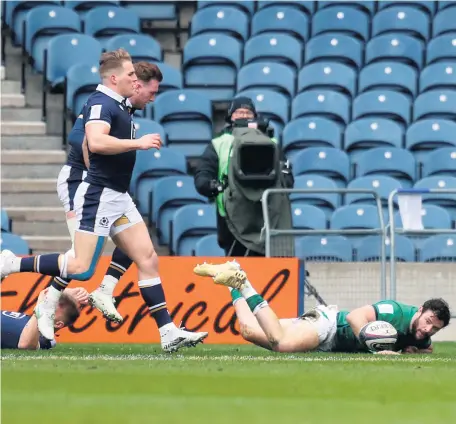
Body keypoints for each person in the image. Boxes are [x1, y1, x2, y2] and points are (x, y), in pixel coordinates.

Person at [1, 49, 208, 352]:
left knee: (148, 258)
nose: (134, 80)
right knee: (82, 266)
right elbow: (94, 141)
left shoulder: (120, 106)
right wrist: (137, 143)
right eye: (129, 75)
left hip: (117, 195)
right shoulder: (101, 103)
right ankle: (11, 263)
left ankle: (167, 332)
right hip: (99, 194)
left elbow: (89, 142)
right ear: (114, 78)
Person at [55, 61, 162, 324]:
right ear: (134, 85)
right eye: (150, 91)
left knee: (138, 247)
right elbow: (83, 141)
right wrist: (98, 177)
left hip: (110, 189)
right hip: (80, 181)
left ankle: (105, 290)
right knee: (83, 263)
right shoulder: (103, 104)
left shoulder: (125, 109)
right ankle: (41, 301)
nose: (152, 98)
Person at [194, 261, 451, 354]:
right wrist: (375, 346)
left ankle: (233, 278)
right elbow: (355, 316)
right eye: (428, 320)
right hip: (328, 326)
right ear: (419, 310)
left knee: (248, 330)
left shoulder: (422, 336)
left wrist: (413, 351)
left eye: (434, 328)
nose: (428, 329)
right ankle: (245, 284)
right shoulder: (394, 312)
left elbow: (427, 349)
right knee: (280, 343)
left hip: (329, 340)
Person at [194, 96, 294, 256]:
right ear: (230, 117)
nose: (243, 116)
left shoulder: (272, 143)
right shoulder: (219, 144)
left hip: (267, 216)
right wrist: (215, 186)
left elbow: (287, 177)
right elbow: (202, 176)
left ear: (255, 117)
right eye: (238, 112)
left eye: (247, 112)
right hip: (231, 221)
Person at [1, 287, 88, 350]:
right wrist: (67, 291)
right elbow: (46, 292)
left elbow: (25, 345)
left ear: (57, 324)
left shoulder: (43, 339)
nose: (46, 304)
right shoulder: (30, 321)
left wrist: (40, 308)